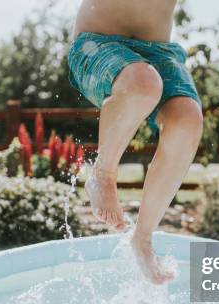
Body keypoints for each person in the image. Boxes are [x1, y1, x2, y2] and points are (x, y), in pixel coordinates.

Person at [68, 0, 203, 284]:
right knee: (142, 83)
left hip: (160, 52)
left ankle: (142, 237)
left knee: (187, 119)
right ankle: (102, 174)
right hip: (96, 44)